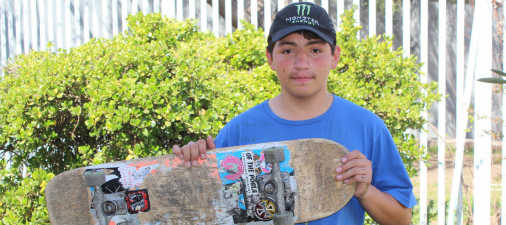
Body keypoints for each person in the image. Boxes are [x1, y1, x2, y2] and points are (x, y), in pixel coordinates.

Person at [172, 2, 416, 224]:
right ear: (270, 58)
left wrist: (364, 190)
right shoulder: (238, 131)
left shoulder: (367, 127)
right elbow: (208, 211)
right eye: (288, 51)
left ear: (335, 57)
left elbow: (402, 220)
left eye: (315, 50)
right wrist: (195, 169)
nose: (301, 63)